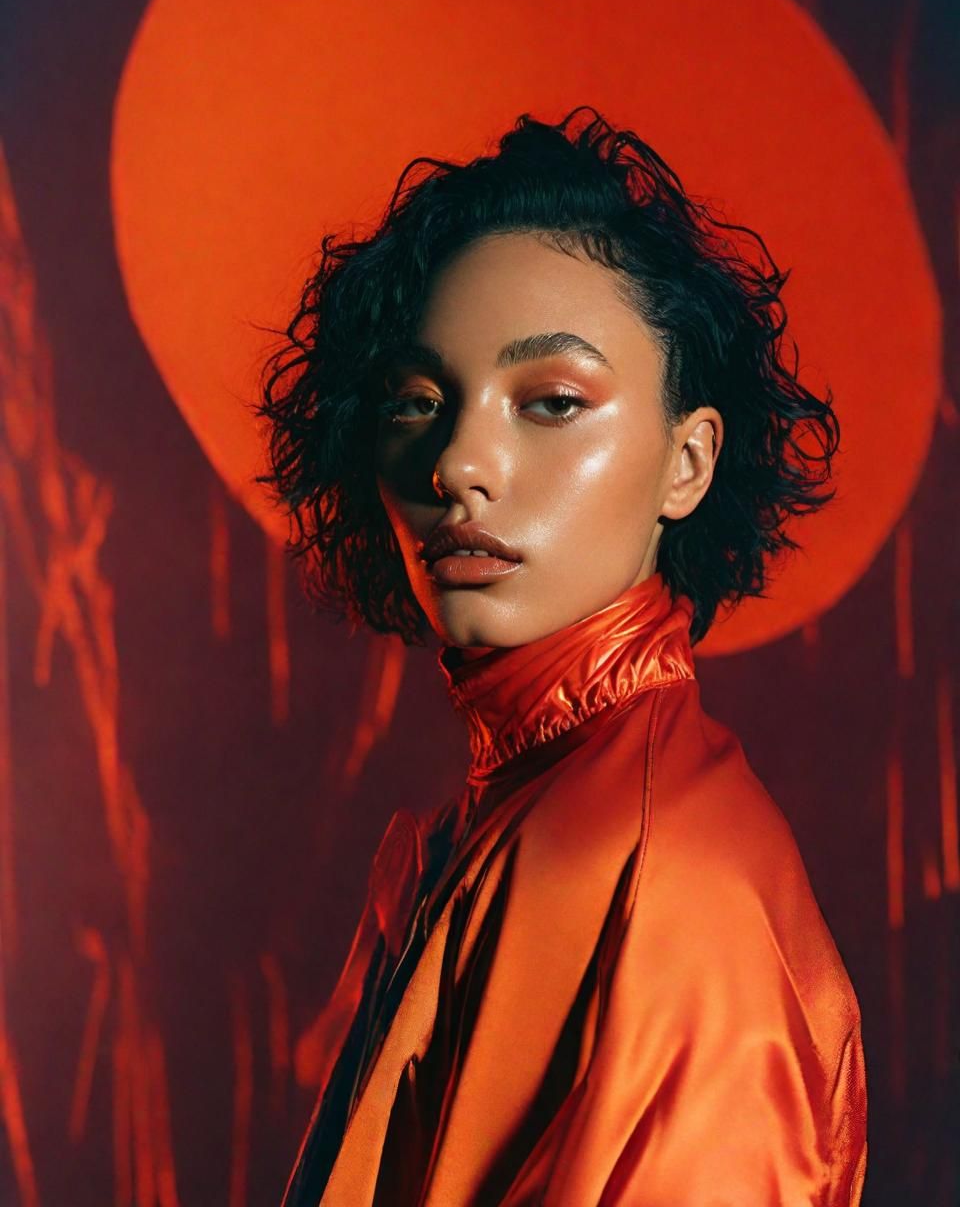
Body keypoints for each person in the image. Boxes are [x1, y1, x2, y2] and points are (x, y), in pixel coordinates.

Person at [254, 106, 868, 1205]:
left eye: (550, 402)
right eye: (416, 401)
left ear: (689, 462)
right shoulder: (520, 813)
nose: (459, 460)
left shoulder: (659, 867)